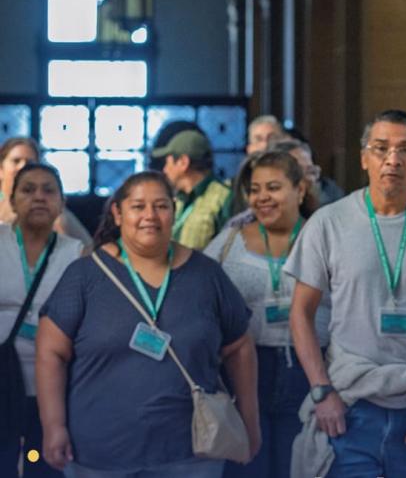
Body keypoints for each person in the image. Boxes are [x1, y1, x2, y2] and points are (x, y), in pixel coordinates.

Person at [35, 171, 260, 478]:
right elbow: (50, 353)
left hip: (192, 453)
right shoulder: (84, 276)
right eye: (138, 206)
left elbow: (239, 347)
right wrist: (53, 426)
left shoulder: (207, 275)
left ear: (174, 211)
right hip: (100, 454)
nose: (149, 216)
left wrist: (249, 422)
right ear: (118, 213)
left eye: (161, 206)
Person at [285, 109, 406, 478]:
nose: (393, 159)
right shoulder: (329, 223)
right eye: (381, 148)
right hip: (350, 402)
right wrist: (321, 392)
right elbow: (301, 314)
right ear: (363, 157)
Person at [205, 151, 331, 478]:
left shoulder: (326, 237)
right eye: (255, 189)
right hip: (246, 371)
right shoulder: (229, 240)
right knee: (247, 465)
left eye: (273, 187)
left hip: (312, 371)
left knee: (302, 466)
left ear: (300, 190)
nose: (262, 197)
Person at [0, 164, 83, 478]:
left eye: (49, 190)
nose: (38, 197)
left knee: (44, 465)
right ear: (11, 199)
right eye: (28, 189)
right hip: (2, 378)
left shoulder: (76, 254)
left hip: (54, 384)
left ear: (61, 204)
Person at [0, 138, 92, 246]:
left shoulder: (52, 209)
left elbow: (88, 249)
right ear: (1, 169)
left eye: (30, 162)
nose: (22, 166)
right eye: (16, 161)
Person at [152, 130, 232, 249]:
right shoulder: (179, 199)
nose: (165, 170)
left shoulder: (224, 197)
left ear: (183, 162)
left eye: (168, 163)